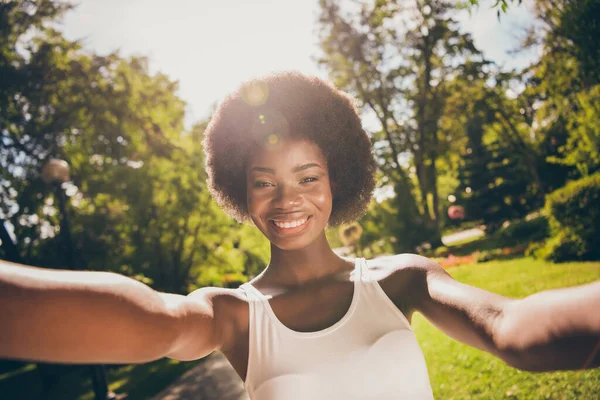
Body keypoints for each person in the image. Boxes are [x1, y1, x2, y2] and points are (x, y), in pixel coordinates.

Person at [1, 72, 599, 400]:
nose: (287, 200)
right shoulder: (233, 314)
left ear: (337, 177)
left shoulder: (401, 280)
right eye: (264, 182)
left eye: (307, 177)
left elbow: (512, 329)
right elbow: (156, 319)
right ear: (242, 191)